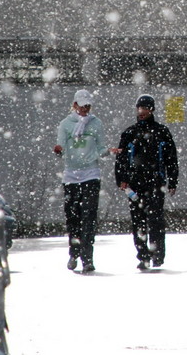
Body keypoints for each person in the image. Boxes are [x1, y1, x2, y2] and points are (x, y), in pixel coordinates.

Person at [114, 94, 179, 270]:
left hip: (156, 183)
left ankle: (157, 254)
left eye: (145, 109)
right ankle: (143, 255)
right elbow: (121, 159)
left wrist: (172, 181)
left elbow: (171, 159)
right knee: (138, 221)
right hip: (135, 185)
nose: (142, 112)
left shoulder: (162, 132)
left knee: (156, 219)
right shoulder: (129, 133)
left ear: (152, 110)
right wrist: (121, 180)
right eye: (139, 108)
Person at [53, 89, 109, 274]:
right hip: (71, 175)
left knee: (89, 216)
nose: (85, 109)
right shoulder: (66, 125)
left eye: (88, 105)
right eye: (82, 105)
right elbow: (61, 145)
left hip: (91, 174)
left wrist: (109, 151)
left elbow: (101, 148)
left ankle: (88, 258)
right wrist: (59, 149)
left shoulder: (96, 124)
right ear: (75, 105)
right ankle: (74, 252)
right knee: (73, 216)